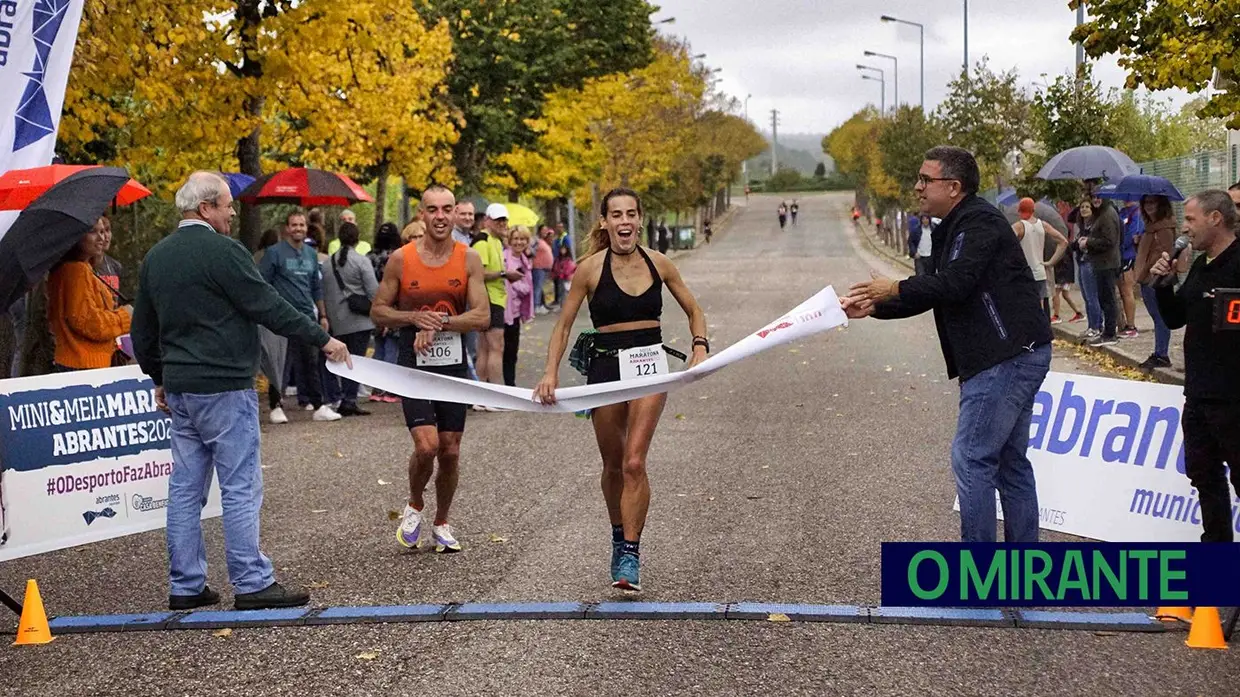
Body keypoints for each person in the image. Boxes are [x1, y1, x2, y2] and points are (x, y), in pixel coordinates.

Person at [131, 171, 351, 611]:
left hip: (181, 389)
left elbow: (143, 329)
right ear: (206, 208)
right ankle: (251, 581)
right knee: (240, 485)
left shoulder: (157, 257)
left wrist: (159, 377)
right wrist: (321, 338)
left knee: (185, 488)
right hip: (225, 386)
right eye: (227, 205)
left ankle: (186, 584)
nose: (233, 212)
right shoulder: (223, 252)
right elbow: (267, 305)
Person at [844, 146, 1052, 544]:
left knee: (973, 458)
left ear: (954, 187)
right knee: (1010, 463)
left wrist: (893, 288)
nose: (917, 187)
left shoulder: (978, 224)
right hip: (1013, 353)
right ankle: (1023, 572)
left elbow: (954, 283)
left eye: (926, 179)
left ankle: (979, 577)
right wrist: (876, 307)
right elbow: (939, 294)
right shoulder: (953, 225)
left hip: (1004, 356)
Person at [535, 187, 709, 591]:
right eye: (617, 215)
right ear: (605, 222)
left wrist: (699, 346)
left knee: (634, 462)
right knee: (613, 465)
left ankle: (630, 553)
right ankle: (618, 534)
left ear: (640, 219)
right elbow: (562, 326)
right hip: (605, 368)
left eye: (631, 214)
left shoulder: (660, 263)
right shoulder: (590, 269)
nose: (624, 221)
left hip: (650, 366)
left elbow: (694, 310)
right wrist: (550, 373)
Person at [369, 185, 490, 552]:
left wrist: (437, 325)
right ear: (422, 214)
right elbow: (378, 310)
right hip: (413, 366)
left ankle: (442, 522)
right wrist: (413, 318)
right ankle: (415, 503)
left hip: (453, 366)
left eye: (447, 209)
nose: (440, 216)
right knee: (427, 446)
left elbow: (482, 316)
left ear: (456, 214)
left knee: (450, 451)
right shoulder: (402, 259)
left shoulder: (468, 258)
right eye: (433, 209)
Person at [1150, 190, 1240, 542]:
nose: (1185, 228)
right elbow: (1175, 319)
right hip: (1199, 395)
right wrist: (1164, 284)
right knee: (1204, 476)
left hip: (1233, 398)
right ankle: (1217, 561)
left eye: (1190, 219)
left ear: (1215, 218)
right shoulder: (1201, 265)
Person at [258, 211, 341, 423]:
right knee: (280, 364)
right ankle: (276, 406)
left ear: (306, 227)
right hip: (280, 317)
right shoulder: (274, 253)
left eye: (302, 225)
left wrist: (322, 314)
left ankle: (319, 405)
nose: (298, 228)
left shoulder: (311, 254)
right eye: (294, 225)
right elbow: (262, 284)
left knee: (311, 361)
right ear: (287, 228)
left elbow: (316, 287)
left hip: (306, 316)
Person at [46, 217, 132, 371]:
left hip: (82, 361)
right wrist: (124, 317)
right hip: (83, 364)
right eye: (92, 232)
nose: (102, 237)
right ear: (76, 236)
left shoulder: (79, 268)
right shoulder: (76, 271)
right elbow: (88, 322)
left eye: (102, 231)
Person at [322, 221, 379, 416]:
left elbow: (324, 291)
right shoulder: (362, 261)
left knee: (337, 360)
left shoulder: (327, 264)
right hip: (359, 320)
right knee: (355, 360)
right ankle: (350, 399)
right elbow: (374, 292)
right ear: (358, 239)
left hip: (336, 320)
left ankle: (336, 397)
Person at [472, 204, 521, 401]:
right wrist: (504, 274)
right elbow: (478, 273)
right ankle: (495, 395)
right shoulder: (482, 240)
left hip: (495, 298)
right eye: (498, 220)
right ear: (487, 221)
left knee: (485, 347)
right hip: (489, 298)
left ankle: (482, 395)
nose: (503, 224)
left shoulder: (496, 241)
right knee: (495, 347)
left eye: (504, 220)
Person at [1133, 195, 1179, 370]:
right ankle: (1159, 352)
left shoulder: (1164, 228)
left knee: (1160, 317)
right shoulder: (1151, 228)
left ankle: (1161, 354)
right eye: (1145, 202)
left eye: (1152, 202)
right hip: (1147, 277)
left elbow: (1165, 254)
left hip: (1156, 279)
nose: (1148, 206)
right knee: (1156, 317)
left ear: (1161, 204)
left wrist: (1147, 272)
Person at [1077, 194, 1122, 347]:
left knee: (1107, 298)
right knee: (1104, 298)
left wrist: (1088, 242)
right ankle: (1107, 332)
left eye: (1099, 197)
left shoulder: (1108, 214)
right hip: (1102, 262)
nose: (1096, 200)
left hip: (1107, 263)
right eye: (1094, 197)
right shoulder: (1102, 214)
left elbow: (1109, 241)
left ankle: (1110, 333)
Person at [1012, 198, 1068, 317]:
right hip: (1040, 272)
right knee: (1040, 306)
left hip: (1024, 273)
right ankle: (1042, 332)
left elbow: (1005, 243)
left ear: (1019, 211)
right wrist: (1051, 262)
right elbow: (1063, 242)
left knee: (1025, 308)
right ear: (1033, 210)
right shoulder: (1043, 225)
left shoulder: (1018, 226)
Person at [367, 223, 404, 403]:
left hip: (374, 307)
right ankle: (390, 389)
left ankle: (376, 388)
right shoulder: (397, 257)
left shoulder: (370, 257)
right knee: (392, 349)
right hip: (393, 307)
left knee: (378, 349)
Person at [502, 226, 535, 386]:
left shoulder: (525, 260)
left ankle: (510, 384)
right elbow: (503, 279)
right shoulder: (504, 258)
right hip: (502, 310)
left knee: (512, 352)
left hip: (515, 312)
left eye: (522, 239)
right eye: (515, 238)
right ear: (509, 240)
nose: (519, 242)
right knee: (499, 351)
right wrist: (513, 281)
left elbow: (527, 287)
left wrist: (515, 283)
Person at [1118, 200, 1142, 337]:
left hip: (1128, 255)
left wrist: (1121, 246)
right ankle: (1123, 323)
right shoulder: (1121, 212)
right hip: (1119, 256)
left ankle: (1131, 325)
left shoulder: (1137, 213)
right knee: (1121, 291)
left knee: (1127, 289)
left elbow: (1132, 235)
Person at [94, 215, 123, 297]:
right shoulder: (85, 267)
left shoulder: (115, 266)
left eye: (107, 230)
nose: (105, 237)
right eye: (101, 232)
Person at [532, 227, 555, 313]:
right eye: (543, 230)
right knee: (537, 287)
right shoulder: (536, 240)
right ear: (539, 231)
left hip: (544, 268)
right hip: (538, 267)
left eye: (546, 231)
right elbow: (531, 250)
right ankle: (536, 306)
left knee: (541, 287)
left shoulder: (543, 241)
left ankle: (541, 305)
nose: (545, 232)